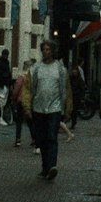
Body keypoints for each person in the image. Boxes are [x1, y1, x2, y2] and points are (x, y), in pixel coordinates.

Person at [30, 41, 67, 180]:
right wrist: (32, 103)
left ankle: (52, 166)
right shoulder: (37, 68)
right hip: (39, 107)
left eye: (48, 49)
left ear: (53, 51)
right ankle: (45, 167)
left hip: (54, 108)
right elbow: (33, 86)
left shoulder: (59, 68)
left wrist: (63, 108)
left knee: (52, 136)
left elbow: (63, 89)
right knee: (41, 138)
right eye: (44, 49)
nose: (46, 52)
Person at [11, 62, 32, 147]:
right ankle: (34, 138)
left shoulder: (21, 77)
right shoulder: (32, 77)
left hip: (21, 100)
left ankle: (18, 139)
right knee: (30, 121)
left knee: (19, 121)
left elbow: (16, 89)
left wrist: (13, 98)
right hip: (30, 101)